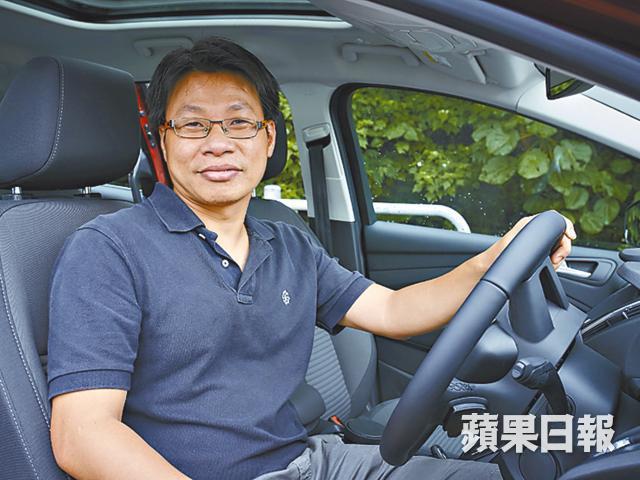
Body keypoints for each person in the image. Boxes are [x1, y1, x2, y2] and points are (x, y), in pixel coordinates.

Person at [47, 37, 575, 480]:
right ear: (161, 141)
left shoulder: (289, 243)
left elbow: (393, 311)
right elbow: (83, 434)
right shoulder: (109, 248)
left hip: (309, 461)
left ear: (268, 138)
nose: (218, 144)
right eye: (192, 125)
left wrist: (496, 258)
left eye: (238, 123)